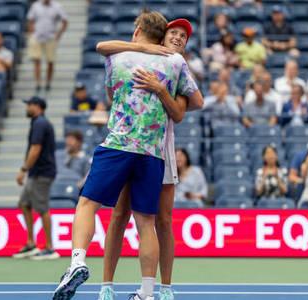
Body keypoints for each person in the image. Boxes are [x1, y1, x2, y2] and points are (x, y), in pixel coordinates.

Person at [54, 12, 200, 300]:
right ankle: (148, 291)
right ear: (161, 35)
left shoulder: (117, 58)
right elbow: (195, 100)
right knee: (146, 222)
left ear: (137, 30)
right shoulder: (176, 63)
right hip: (153, 154)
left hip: (118, 145)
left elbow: (110, 92)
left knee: (87, 205)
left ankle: (77, 262)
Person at [95, 18, 204, 300]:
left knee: (162, 221)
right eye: (174, 33)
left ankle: (163, 289)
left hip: (160, 151)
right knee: (119, 215)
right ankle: (107, 286)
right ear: (160, 36)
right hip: (131, 145)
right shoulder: (138, 57)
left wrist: (160, 89)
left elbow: (185, 110)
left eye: (184, 36)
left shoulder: (176, 67)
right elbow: (105, 52)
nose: (179, 38)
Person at [14, 96, 59, 260]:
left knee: (42, 208)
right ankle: (31, 243)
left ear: (38, 106)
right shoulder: (38, 122)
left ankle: (49, 247)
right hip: (36, 172)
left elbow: (35, 149)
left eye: (29, 105)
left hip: (42, 172)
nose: (27, 108)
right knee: (24, 204)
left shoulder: (40, 123)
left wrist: (23, 169)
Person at [27, 0, 68, 93]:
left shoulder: (57, 6)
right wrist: (32, 33)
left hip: (50, 37)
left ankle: (48, 82)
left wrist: (59, 35)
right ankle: (38, 83)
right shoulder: (35, 6)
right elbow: (30, 20)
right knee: (36, 60)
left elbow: (65, 21)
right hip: (37, 37)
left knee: (50, 61)